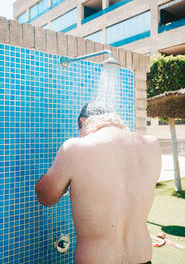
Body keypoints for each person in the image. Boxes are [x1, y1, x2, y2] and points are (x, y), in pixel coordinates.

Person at [35, 102, 161, 264]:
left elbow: (46, 197)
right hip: (142, 257)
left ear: (82, 122)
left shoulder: (75, 148)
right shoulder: (151, 145)